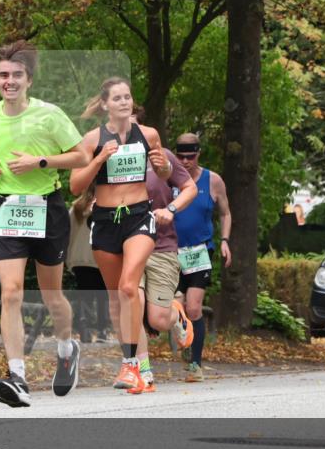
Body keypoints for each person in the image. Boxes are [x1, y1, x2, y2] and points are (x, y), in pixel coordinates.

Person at [0, 40, 90, 407]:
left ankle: (66, 347)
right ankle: (17, 376)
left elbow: (82, 156)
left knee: (51, 295)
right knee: (10, 292)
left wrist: (40, 162)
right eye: (3, 75)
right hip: (8, 208)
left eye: (16, 75)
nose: (9, 81)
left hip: (47, 209)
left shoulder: (49, 115)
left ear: (29, 80)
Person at [70, 77, 171, 393]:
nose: (125, 102)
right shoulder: (91, 139)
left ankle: (129, 366)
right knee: (119, 299)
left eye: (128, 97)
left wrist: (163, 164)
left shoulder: (148, 134)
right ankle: (143, 368)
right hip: (104, 222)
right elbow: (75, 186)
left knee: (129, 287)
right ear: (105, 105)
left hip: (139, 218)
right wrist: (100, 158)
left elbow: (165, 173)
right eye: (118, 98)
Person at [128, 145, 197, 394]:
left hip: (161, 246)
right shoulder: (111, 153)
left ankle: (176, 315)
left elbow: (191, 188)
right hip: (127, 246)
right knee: (132, 306)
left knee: (157, 319)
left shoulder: (160, 156)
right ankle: (143, 372)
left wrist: (170, 209)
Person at [171, 133, 232, 382]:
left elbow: (226, 213)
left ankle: (195, 364)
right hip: (171, 251)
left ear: (199, 154)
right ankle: (184, 339)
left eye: (190, 157)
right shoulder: (170, 179)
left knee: (194, 307)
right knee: (174, 308)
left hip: (199, 251)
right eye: (181, 157)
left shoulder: (213, 180)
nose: (185, 162)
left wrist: (225, 241)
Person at [66, 186, 109, 343]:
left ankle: (85, 329)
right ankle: (102, 330)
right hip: (102, 256)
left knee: (85, 295)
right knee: (103, 295)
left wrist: (68, 256)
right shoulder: (110, 204)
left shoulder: (77, 207)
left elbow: (68, 233)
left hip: (80, 257)